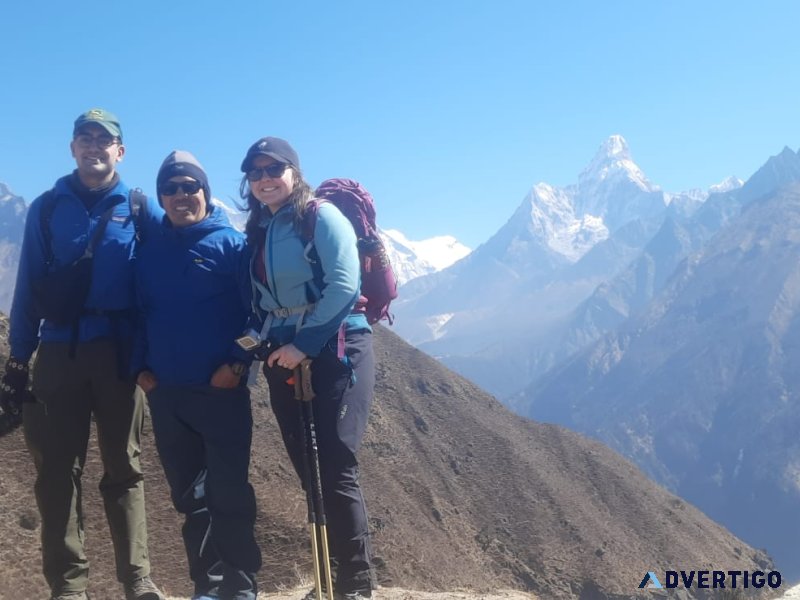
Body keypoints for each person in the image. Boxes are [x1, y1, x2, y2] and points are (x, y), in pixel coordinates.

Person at [0, 109, 165, 600]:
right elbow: (27, 284)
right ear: (72, 148)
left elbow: (180, 248)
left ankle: (137, 579)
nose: (94, 146)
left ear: (120, 151)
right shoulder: (49, 208)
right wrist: (16, 360)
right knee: (56, 473)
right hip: (57, 353)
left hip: (119, 355)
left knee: (125, 467)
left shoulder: (138, 207)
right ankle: (69, 587)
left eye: (104, 139)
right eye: (85, 138)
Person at [239, 137, 376, 600]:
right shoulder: (260, 230)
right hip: (284, 353)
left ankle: (356, 581)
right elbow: (262, 301)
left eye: (273, 169)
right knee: (307, 465)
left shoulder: (321, 216)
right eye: (255, 173)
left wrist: (304, 344)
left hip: (337, 346)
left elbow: (344, 284)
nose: (263, 179)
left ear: (294, 173)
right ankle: (329, 577)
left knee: (335, 461)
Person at [132, 150, 261, 600]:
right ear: (161, 196)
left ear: (205, 191)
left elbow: (258, 315)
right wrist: (141, 373)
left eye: (190, 186)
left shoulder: (232, 245)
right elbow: (135, 315)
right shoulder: (147, 252)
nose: (181, 195)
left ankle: (241, 585)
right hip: (167, 394)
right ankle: (207, 586)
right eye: (170, 188)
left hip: (220, 392)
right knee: (190, 496)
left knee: (229, 492)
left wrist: (236, 365)